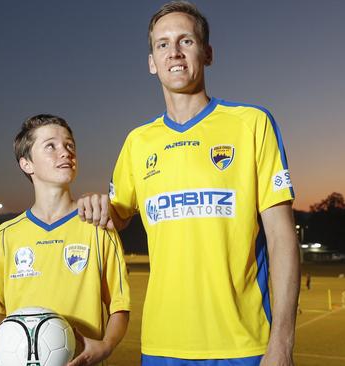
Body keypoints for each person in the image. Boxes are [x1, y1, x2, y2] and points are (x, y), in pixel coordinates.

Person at [78, 2, 300, 365]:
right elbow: (117, 217)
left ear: (207, 53)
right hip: (163, 346)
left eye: (186, 41)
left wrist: (282, 343)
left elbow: (281, 237)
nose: (174, 53)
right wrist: (97, 206)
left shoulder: (251, 123)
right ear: (151, 62)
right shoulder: (137, 142)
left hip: (244, 345)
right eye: (162, 45)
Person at [0, 115, 131, 366]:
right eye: (51, 146)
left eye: (69, 145)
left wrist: (106, 345)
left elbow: (119, 306)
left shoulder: (98, 228)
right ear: (27, 163)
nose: (65, 152)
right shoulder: (5, 236)